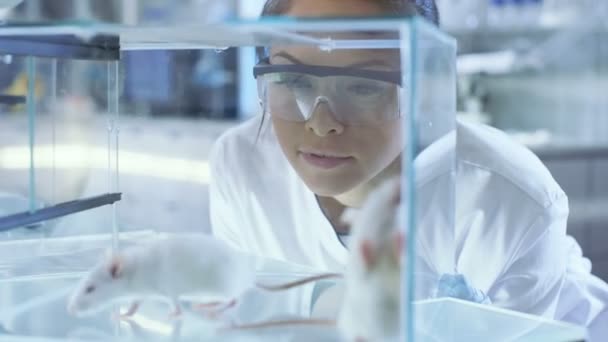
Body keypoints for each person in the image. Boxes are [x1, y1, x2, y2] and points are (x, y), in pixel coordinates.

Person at [208, 0, 608, 339]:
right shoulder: (243, 165)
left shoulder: (505, 196)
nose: (321, 122)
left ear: (425, 86)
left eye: (364, 85)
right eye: (293, 79)